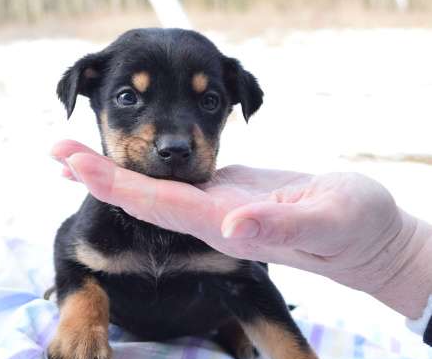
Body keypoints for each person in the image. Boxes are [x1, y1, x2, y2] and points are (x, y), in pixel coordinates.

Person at [51, 140, 432, 346]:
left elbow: (250, 284)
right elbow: (70, 250)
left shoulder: (227, 223)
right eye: (128, 98)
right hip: (127, 317)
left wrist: (396, 250)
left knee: (244, 243)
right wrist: (399, 253)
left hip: (209, 317)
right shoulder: (96, 228)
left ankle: (235, 328)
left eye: (208, 100)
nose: (174, 139)